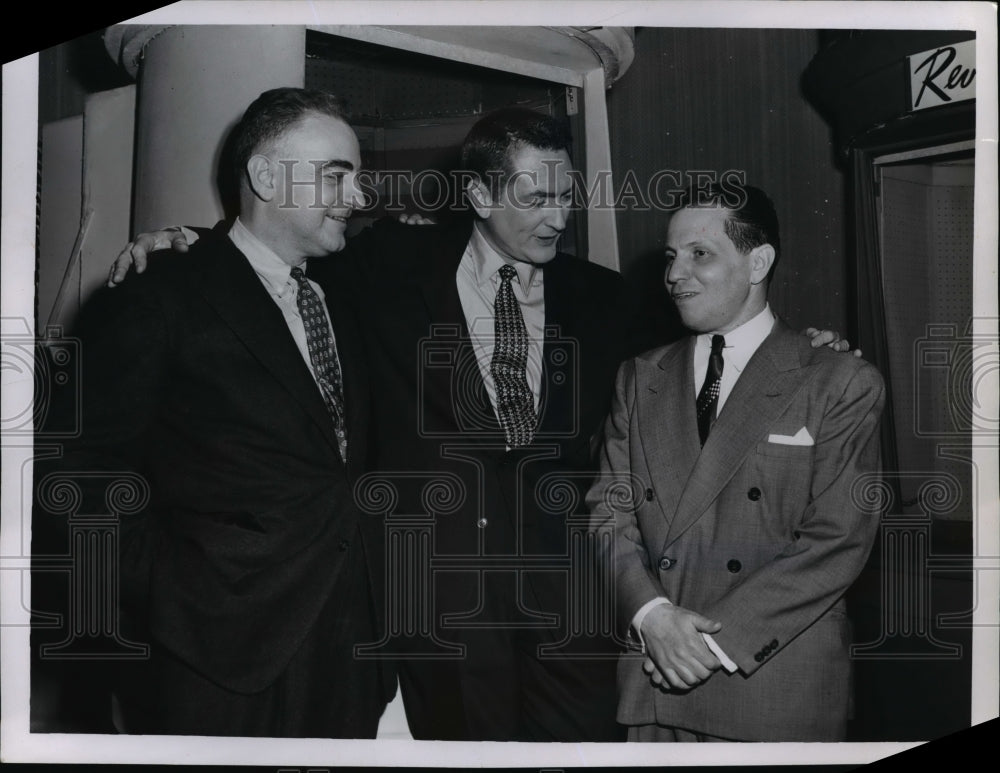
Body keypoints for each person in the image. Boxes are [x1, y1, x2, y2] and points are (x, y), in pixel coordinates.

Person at [110, 112, 855, 741]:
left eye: (567, 195)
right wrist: (176, 239)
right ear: (477, 192)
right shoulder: (384, 263)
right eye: (535, 196)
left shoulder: (607, 299)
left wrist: (812, 347)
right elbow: (266, 262)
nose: (557, 216)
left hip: (573, 604)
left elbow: (718, 333)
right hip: (438, 602)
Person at [44, 88, 393, 737]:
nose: (357, 197)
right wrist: (173, 593)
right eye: (336, 176)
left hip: (345, 648)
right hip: (213, 655)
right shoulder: (159, 294)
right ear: (264, 175)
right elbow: (74, 473)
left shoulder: (339, 300)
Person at [585, 184, 885, 742]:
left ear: (758, 262)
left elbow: (838, 539)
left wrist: (710, 644)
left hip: (773, 684)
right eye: (671, 256)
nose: (676, 275)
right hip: (656, 681)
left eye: (700, 254)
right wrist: (651, 616)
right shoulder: (638, 376)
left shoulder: (838, 380)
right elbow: (609, 515)